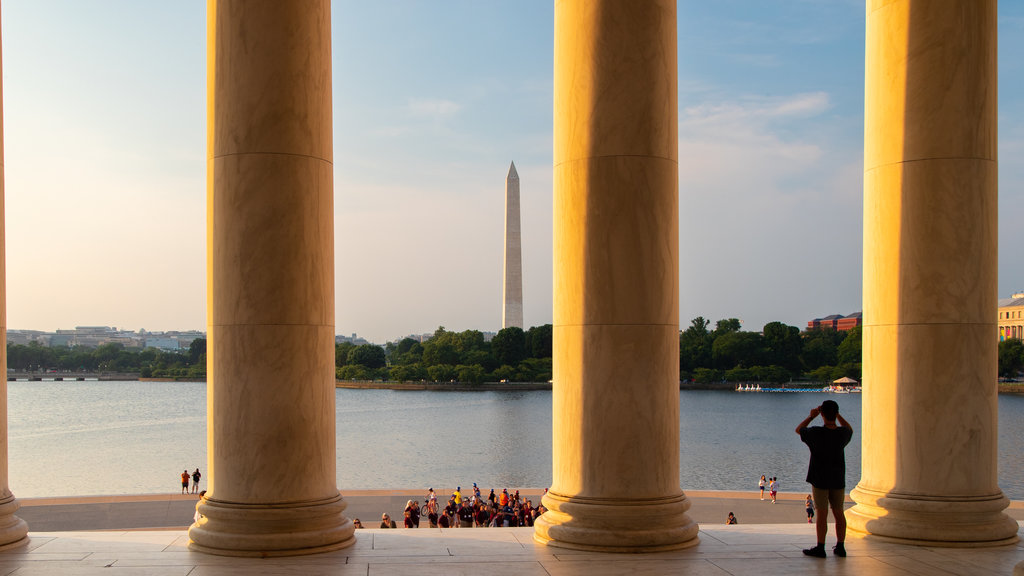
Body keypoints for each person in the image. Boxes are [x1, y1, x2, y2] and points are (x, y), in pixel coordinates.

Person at [796, 400, 854, 558]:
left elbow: (799, 429)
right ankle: (840, 546)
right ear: (835, 413)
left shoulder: (815, 433)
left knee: (821, 514)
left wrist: (811, 417)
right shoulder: (842, 434)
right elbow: (849, 429)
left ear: (822, 414)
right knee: (839, 513)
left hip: (820, 478)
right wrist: (838, 415)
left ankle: (821, 547)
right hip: (837, 478)